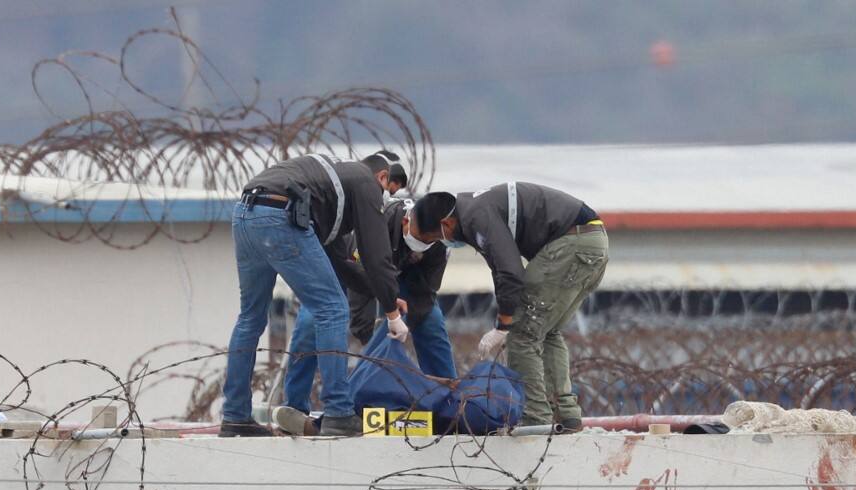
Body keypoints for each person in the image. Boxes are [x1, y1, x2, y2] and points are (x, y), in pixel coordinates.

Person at [219, 152, 409, 437]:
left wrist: (385, 296)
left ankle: (235, 416)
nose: (382, 200)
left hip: (246, 215)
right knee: (332, 310)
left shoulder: (328, 189)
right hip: (281, 215)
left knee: (250, 318)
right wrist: (392, 315)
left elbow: (341, 264)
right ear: (382, 177)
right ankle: (338, 412)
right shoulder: (365, 182)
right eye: (386, 191)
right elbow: (375, 253)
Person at [404, 184, 608, 431]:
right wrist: (504, 320)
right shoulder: (474, 212)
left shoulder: (477, 217)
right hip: (590, 242)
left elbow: (510, 272)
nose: (440, 244)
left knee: (522, 333)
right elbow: (500, 270)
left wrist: (503, 325)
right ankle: (567, 414)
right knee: (546, 331)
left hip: (571, 244)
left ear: (446, 225)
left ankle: (535, 418)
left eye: (435, 239)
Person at [275, 197, 457, 434]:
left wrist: (398, 325)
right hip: (346, 268)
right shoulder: (376, 224)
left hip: (396, 276)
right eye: (420, 237)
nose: (424, 243)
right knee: (312, 319)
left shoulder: (438, 244)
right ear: (405, 222)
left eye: (430, 240)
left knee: (431, 320)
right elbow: (359, 289)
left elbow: (425, 294)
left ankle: (450, 406)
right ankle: (296, 407)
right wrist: (373, 344)